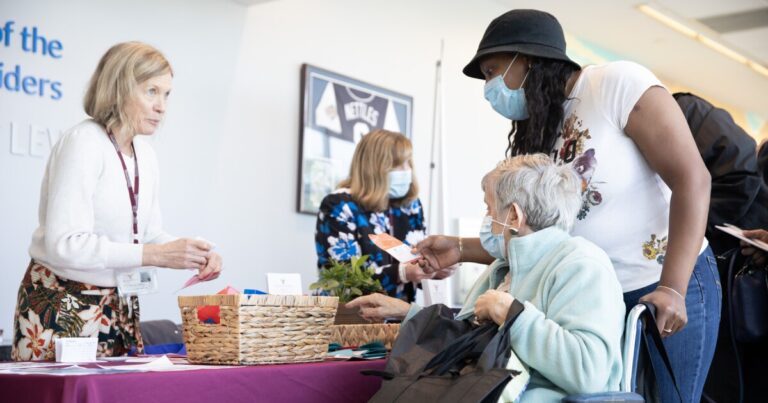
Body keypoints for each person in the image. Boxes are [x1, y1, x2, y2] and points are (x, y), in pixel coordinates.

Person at [413, 9, 720, 403]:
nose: (488, 87)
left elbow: (692, 179)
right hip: (593, 297)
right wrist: (458, 247)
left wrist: (673, 288)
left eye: (492, 72)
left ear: (526, 58)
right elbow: (533, 235)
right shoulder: (542, 125)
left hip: (665, 283)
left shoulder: (615, 84)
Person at [348, 155, 625, 402]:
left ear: (514, 216)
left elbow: (588, 372)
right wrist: (408, 312)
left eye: (490, 209)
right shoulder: (503, 268)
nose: (487, 219)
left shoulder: (582, 265)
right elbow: (464, 340)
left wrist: (511, 314)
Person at [11, 42, 222, 361]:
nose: (162, 106)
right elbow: (65, 244)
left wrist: (191, 252)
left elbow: (147, 236)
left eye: (166, 94)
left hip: (118, 304)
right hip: (61, 301)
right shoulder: (84, 142)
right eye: (151, 91)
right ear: (119, 89)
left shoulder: (145, 154)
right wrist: (156, 254)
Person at [315, 129, 437, 302]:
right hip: (352, 321)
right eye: (399, 164)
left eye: (409, 163)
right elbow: (342, 282)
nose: (407, 170)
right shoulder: (339, 206)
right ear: (374, 167)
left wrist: (435, 269)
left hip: (403, 320)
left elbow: (416, 266)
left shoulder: (410, 207)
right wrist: (402, 273)